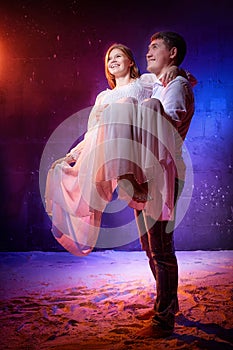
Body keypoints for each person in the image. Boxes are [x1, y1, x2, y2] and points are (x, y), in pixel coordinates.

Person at [45, 43, 181, 257]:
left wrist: (176, 69)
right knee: (76, 177)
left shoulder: (144, 82)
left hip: (137, 149)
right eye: (109, 59)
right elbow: (95, 133)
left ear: (130, 62)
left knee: (153, 242)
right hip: (110, 151)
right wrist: (72, 156)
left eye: (118, 56)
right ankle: (122, 176)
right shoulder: (103, 97)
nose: (113, 61)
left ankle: (131, 178)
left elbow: (173, 83)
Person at [133, 31, 195, 339]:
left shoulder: (177, 86)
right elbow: (135, 79)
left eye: (154, 47)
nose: (148, 52)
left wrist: (178, 75)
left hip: (164, 171)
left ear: (172, 52)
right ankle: (165, 302)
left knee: (160, 248)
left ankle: (165, 315)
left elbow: (169, 119)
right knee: (149, 246)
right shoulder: (155, 82)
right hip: (146, 171)